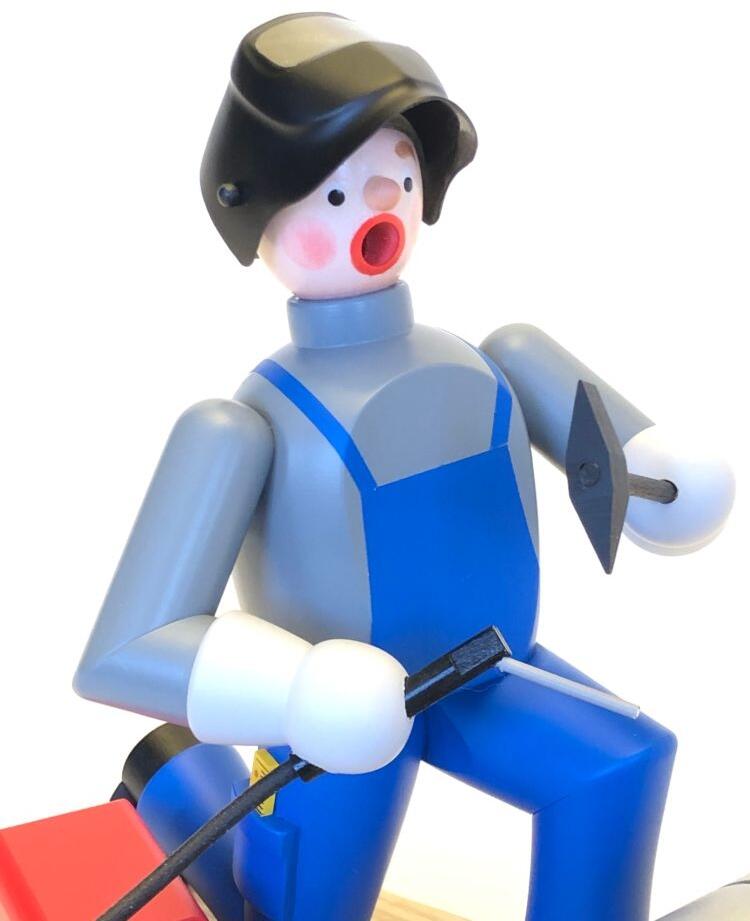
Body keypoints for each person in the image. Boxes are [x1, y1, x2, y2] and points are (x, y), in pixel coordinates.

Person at [75, 14, 735, 921]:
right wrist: (298, 691)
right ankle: (174, 774)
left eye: (400, 171)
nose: (382, 198)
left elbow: (641, 471)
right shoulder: (240, 425)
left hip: (493, 670)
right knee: (291, 908)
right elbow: (123, 650)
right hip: (341, 721)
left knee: (621, 763)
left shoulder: (500, 358)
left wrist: (666, 481)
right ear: (259, 217)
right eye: (337, 192)